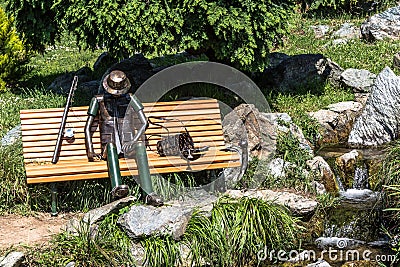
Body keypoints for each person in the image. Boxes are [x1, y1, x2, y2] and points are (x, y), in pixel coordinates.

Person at [84, 70, 163, 206]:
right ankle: (117, 189)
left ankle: (148, 194)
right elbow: (87, 127)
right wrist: (90, 150)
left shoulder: (131, 99)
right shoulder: (98, 100)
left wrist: (134, 140)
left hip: (128, 144)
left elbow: (145, 123)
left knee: (140, 146)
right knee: (111, 147)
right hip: (109, 149)